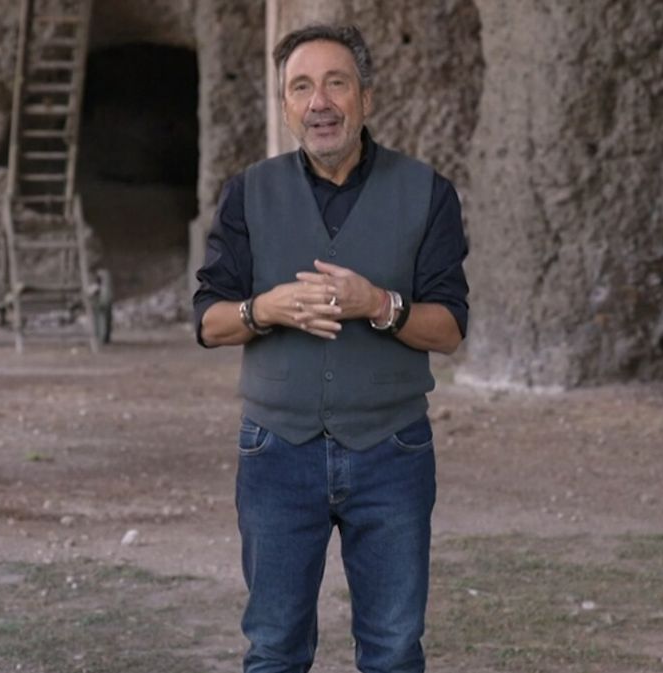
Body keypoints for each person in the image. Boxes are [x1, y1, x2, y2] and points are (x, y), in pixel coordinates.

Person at [193, 23, 469, 673]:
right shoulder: (247, 194)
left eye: (336, 83)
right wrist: (264, 309)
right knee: (275, 647)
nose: (319, 102)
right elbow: (208, 321)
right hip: (275, 451)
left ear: (366, 98)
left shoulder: (428, 192)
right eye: (301, 87)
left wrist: (379, 305)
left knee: (394, 650)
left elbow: (450, 329)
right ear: (286, 106)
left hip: (392, 449)